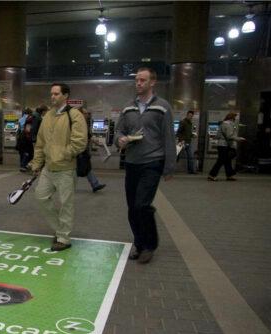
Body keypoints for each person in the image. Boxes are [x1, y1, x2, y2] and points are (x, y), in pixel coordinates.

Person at [115, 67, 175, 264]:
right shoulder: (128, 108)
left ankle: (150, 245)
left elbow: (168, 137)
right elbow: (118, 131)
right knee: (132, 207)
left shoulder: (162, 107)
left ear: (152, 82)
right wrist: (121, 139)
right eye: (136, 80)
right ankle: (139, 244)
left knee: (142, 205)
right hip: (132, 162)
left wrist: (169, 166)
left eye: (142, 80)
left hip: (152, 162)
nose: (138, 83)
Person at [28, 83, 88, 252]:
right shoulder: (47, 116)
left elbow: (80, 142)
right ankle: (59, 229)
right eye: (51, 94)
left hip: (66, 168)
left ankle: (64, 238)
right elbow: (40, 143)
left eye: (56, 94)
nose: (52, 96)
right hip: (48, 168)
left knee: (66, 204)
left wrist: (62, 154)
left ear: (65, 95)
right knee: (40, 197)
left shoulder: (75, 115)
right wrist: (37, 163)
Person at [208, 112, 245, 181]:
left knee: (227, 160)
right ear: (232, 118)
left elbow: (218, 135)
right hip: (224, 145)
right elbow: (229, 136)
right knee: (221, 161)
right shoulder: (228, 124)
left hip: (222, 144)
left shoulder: (223, 123)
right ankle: (212, 175)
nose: (235, 119)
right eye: (235, 118)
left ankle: (229, 175)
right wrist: (238, 139)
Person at [78, 107, 106, 193]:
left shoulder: (83, 123)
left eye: (87, 113)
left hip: (83, 150)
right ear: (80, 114)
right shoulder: (77, 123)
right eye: (85, 113)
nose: (87, 115)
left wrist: (97, 143)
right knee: (80, 169)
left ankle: (95, 184)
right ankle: (95, 184)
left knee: (85, 168)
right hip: (79, 150)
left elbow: (89, 136)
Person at [176, 110, 196, 174]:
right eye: (189, 116)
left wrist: (192, 135)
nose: (190, 117)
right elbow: (178, 132)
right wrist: (182, 140)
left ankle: (191, 171)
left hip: (188, 142)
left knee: (190, 156)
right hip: (181, 142)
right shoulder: (183, 122)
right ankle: (168, 168)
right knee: (176, 156)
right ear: (187, 115)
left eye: (191, 116)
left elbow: (188, 133)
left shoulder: (190, 123)